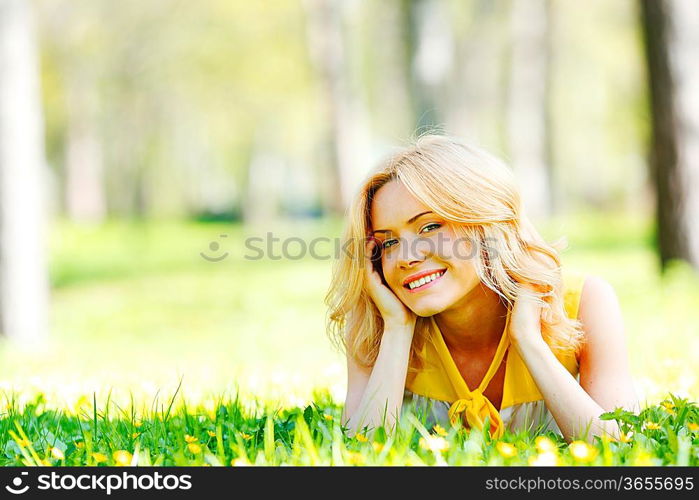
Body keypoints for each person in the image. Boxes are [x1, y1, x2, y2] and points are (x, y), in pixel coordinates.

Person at [325, 134, 639, 443]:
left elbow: (617, 447)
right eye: (388, 242)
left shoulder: (585, 301)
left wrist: (529, 341)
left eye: (430, 227)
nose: (406, 257)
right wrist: (396, 330)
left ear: (486, 222)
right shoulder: (375, 320)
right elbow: (361, 452)